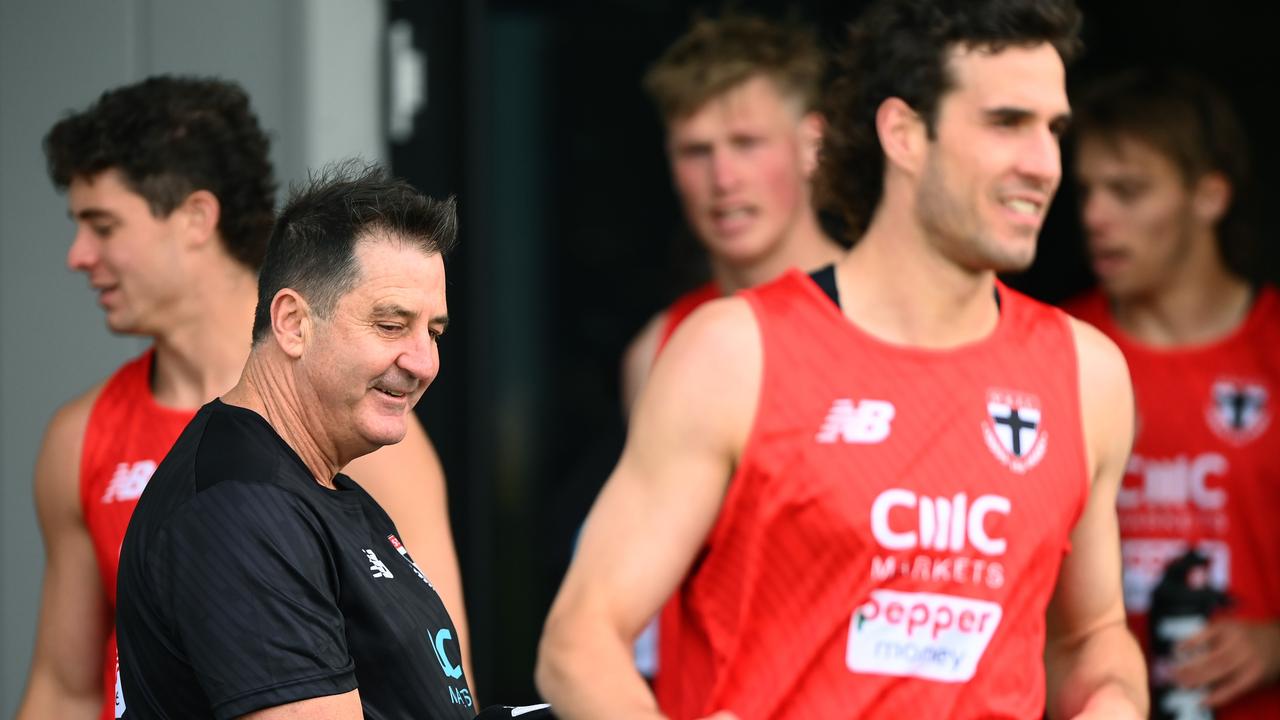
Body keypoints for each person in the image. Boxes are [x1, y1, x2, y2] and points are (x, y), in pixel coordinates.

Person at [536, 0, 1148, 718]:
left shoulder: (1087, 372)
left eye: (1053, 130)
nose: (1044, 164)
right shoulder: (733, 352)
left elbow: (1093, 637)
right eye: (1006, 123)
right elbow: (580, 641)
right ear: (904, 133)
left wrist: (1113, 699)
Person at [16, 77, 470, 720]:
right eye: (392, 324)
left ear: (198, 217)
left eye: (104, 225)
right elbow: (66, 688)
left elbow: (433, 678)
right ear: (289, 321)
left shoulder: (367, 422)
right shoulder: (86, 435)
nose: (77, 256)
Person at [115, 163, 470, 717]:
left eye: (435, 332)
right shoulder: (240, 508)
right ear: (292, 322)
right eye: (391, 324)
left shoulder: (311, 485)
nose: (423, 362)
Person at [1066, 67, 1280, 718]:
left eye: (1127, 191)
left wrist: (1275, 645)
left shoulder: (1271, 347)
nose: (1095, 217)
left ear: (1209, 197)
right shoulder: (1059, 349)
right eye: (1087, 192)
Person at [621, 13, 844, 413]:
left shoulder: (889, 317)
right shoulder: (658, 349)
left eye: (747, 143)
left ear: (812, 145)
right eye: (696, 151)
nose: (723, 179)